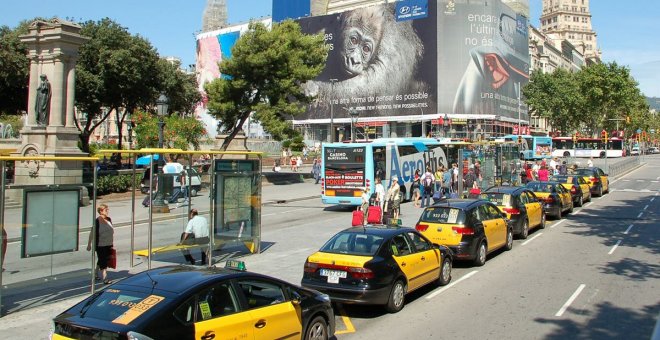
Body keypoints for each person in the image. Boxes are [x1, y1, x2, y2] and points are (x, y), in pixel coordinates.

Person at [87, 204, 114, 284]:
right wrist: (89, 244)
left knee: (101, 259)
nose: (108, 211)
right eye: (106, 210)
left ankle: (95, 273)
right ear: (101, 211)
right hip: (100, 244)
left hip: (108, 244)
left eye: (107, 209)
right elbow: (92, 233)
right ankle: (105, 278)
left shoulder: (109, 219)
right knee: (103, 261)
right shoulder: (97, 221)